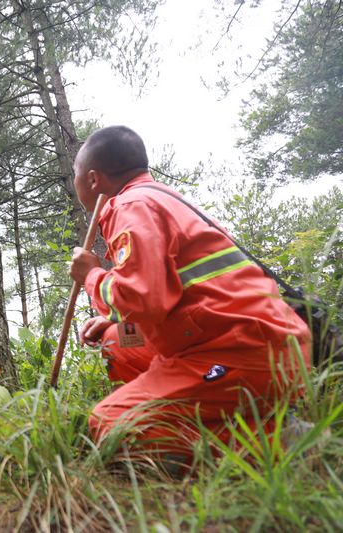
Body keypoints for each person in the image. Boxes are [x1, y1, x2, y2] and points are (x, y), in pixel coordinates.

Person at [68, 126, 311, 474]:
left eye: (76, 175)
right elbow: (174, 294)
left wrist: (91, 276)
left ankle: (277, 442)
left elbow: (144, 299)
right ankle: (228, 413)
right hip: (260, 341)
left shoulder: (132, 205)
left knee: (111, 426)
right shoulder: (161, 198)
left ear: (93, 179)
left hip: (244, 350)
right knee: (114, 342)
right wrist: (115, 319)